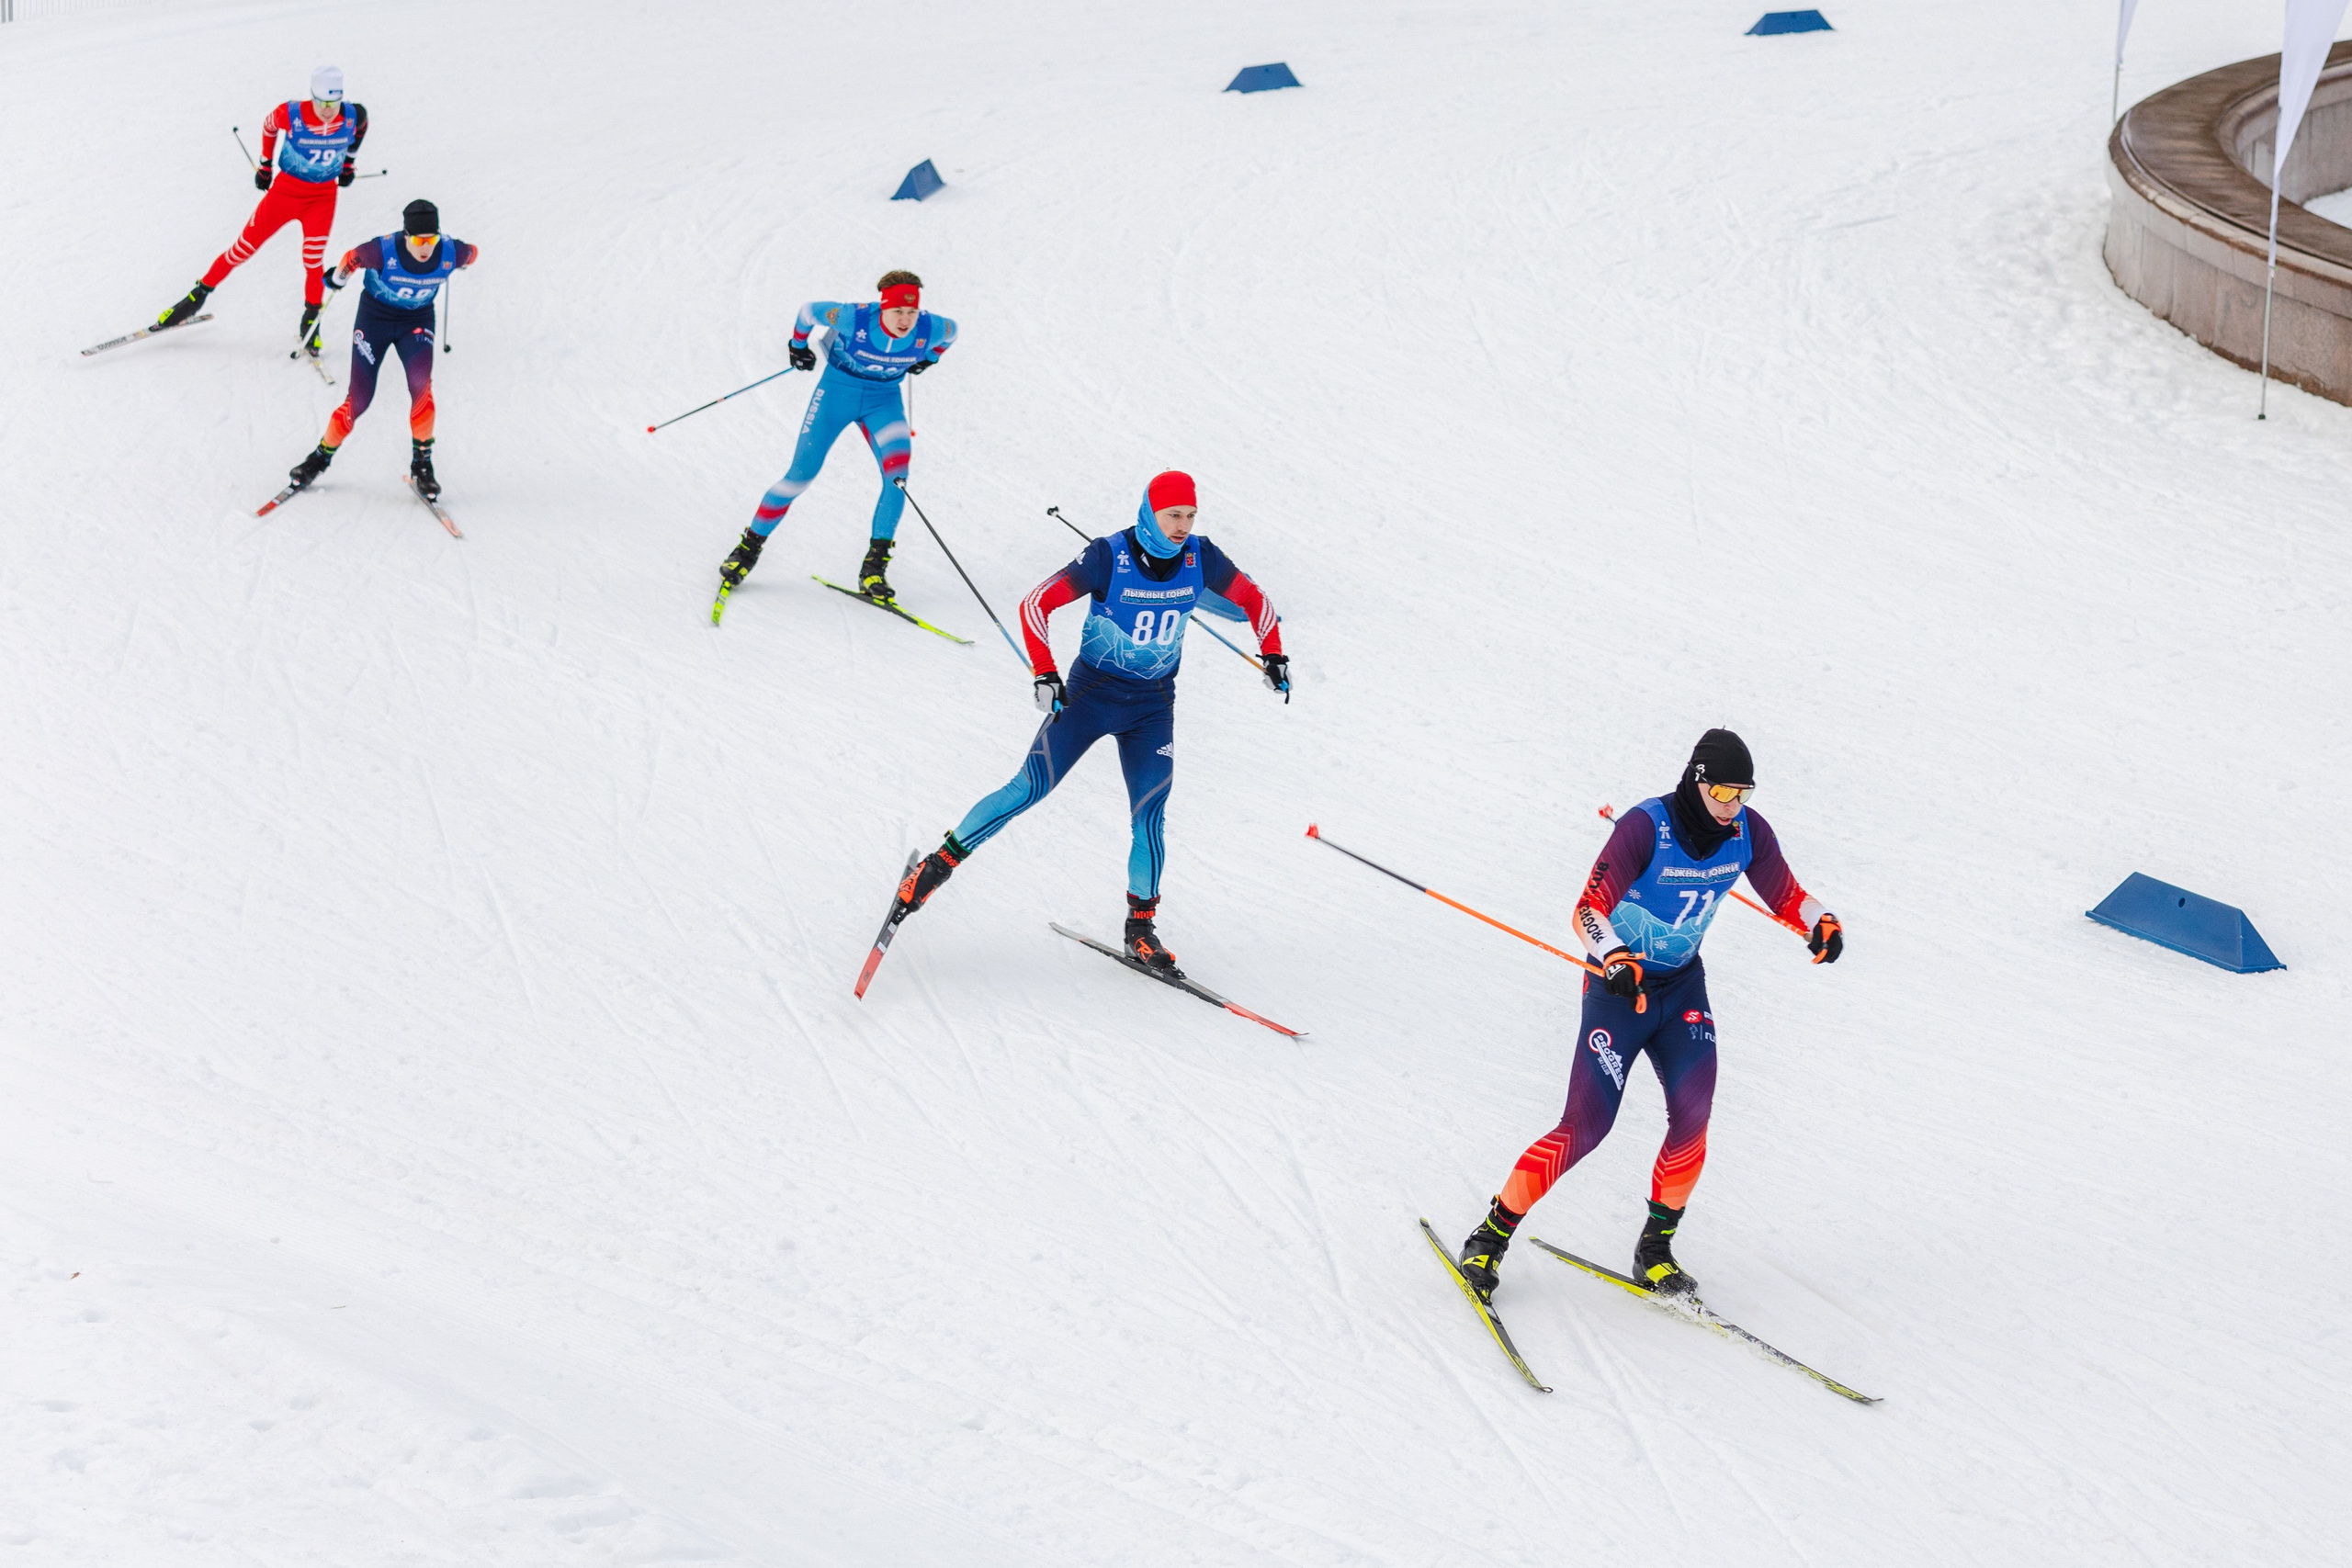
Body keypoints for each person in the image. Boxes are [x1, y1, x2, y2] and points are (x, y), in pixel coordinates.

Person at [1454, 728, 1844, 1303]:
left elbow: (1787, 893)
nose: (1732, 806)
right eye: (1722, 792)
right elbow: (1588, 910)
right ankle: (1490, 1235)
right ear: (1696, 781)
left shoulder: (1748, 831)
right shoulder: (1644, 827)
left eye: (1743, 794)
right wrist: (1613, 956)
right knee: (1586, 1127)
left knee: (1693, 1118)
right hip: (1620, 992)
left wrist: (1820, 920)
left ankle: (1655, 1251)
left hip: (1683, 990)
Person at [880, 471, 1289, 971]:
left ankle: (1140, 930)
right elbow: (1036, 603)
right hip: (1090, 697)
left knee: (1150, 817)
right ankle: (931, 871)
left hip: (1153, 707)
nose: (1182, 526)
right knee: (1027, 789)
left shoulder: (1201, 557)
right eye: (1172, 515)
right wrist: (1045, 672)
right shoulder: (1108, 555)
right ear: (1150, 513)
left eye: (1189, 515)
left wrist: (1274, 655)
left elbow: (1256, 600)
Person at [715, 271, 956, 605]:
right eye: (897, 311)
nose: (905, 320)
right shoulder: (854, 318)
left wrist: (930, 358)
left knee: (897, 479)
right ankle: (747, 550)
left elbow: (951, 334)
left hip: (884, 401)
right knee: (800, 475)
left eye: (912, 312)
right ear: (883, 307)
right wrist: (797, 345)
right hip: (836, 394)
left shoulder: (932, 327)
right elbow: (808, 312)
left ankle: (874, 569)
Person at [155, 65, 369, 357]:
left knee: (313, 260)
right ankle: (196, 296)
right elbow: (269, 126)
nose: (328, 110)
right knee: (243, 249)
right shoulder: (291, 113)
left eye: (334, 103)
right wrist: (265, 165)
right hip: (285, 194)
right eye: (322, 103)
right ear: (312, 96)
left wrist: (348, 163)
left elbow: (362, 128)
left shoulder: (353, 115)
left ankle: (311, 320)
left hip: (322, 198)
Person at [281, 200, 475, 502]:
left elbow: (472, 253)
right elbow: (352, 258)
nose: (426, 248)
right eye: (419, 241)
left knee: (421, 388)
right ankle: (319, 458)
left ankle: (422, 465)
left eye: (432, 239)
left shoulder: (450, 251)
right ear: (406, 235)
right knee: (359, 399)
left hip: (417, 323)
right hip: (375, 321)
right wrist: (337, 279)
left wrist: (459, 261)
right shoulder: (382, 251)